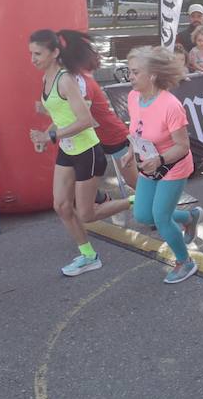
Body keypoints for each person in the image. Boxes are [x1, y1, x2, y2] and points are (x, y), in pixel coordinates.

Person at [28, 28, 133, 276]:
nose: (33, 59)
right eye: (30, 53)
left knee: (87, 214)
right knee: (62, 206)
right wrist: (45, 136)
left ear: (54, 53)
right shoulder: (46, 79)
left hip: (88, 151)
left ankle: (135, 200)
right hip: (67, 150)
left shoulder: (67, 79)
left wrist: (51, 135)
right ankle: (89, 256)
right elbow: (62, 116)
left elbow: (85, 120)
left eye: (37, 53)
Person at [124, 45, 203, 284]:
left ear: (153, 75)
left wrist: (159, 159)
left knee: (160, 217)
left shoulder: (170, 105)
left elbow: (182, 146)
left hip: (173, 166)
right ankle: (189, 217)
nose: (130, 77)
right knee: (142, 215)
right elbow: (137, 129)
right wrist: (131, 151)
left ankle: (185, 262)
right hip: (149, 165)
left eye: (135, 72)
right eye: (129, 71)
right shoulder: (133, 97)